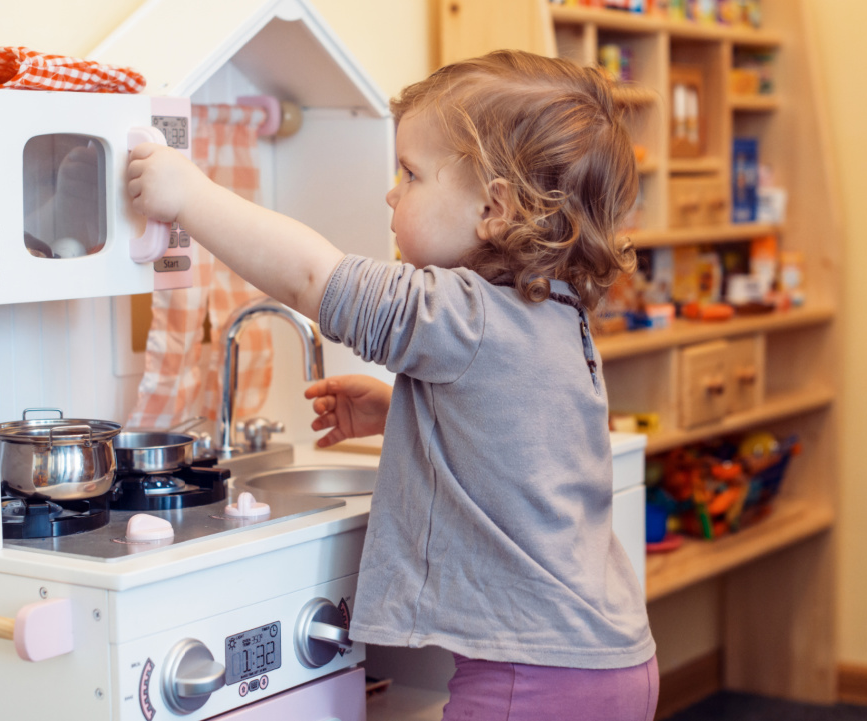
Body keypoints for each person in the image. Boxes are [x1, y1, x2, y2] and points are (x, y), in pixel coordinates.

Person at [128, 49, 657, 721]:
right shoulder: (556, 310)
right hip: (613, 660)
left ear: (493, 207)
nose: (390, 190)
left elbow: (313, 279)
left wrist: (188, 195)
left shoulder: (462, 314)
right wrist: (402, 412)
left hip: (532, 679)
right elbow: (527, 437)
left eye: (410, 173)